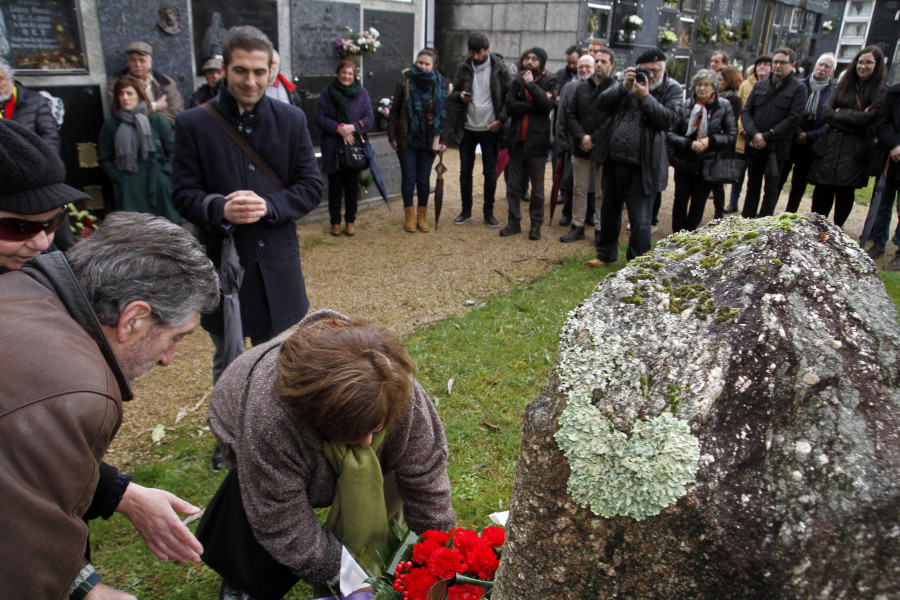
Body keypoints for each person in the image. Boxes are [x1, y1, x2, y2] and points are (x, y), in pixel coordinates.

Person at [0, 120, 221, 600]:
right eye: (175, 338)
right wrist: (84, 591)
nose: (168, 361)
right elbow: (21, 569)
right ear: (134, 319)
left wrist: (121, 493)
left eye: (53, 222)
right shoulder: (79, 391)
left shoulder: (18, 285)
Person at [207, 310, 456, 600]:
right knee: (255, 504)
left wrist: (437, 557)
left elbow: (426, 480)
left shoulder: (394, 386)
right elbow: (283, 519)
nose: (366, 442)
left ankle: (385, 566)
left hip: (329, 422)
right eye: (353, 435)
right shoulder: (270, 420)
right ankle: (240, 578)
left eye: (376, 429)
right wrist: (343, 575)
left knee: (392, 492)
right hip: (241, 420)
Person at [172, 25, 323, 383]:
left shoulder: (291, 120)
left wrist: (269, 206)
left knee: (283, 366)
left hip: (278, 268)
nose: (251, 81)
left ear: (271, 70)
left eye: (259, 71)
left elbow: (311, 187)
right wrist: (218, 209)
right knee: (230, 368)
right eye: (241, 70)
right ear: (224, 69)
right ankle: (231, 439)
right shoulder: (193, 123)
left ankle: (279, 437)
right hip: (224, 271)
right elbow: (182, 193)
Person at [586, 48, 681, 266]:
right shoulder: (625, 83)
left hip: (643, 165)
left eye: (655, 71)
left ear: (663, 70)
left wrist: (646, 97)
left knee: (640, 220)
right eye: (644, 71)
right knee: (609, 213)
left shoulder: (672, 89)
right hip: (615, 160)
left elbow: (668, 119)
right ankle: (605, 254)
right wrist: (623, 87)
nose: (649, 76)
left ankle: (637, 262)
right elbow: (601, 104)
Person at [809, 46, 887, 228]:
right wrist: (854, 115)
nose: (863, 66)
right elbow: (827, 113)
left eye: (869, 62)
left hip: (855, 149)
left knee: (845, 192)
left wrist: (841, 113)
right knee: (823, 190)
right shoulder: (844, 85)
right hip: (830, 147)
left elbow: (870, 118)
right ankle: (816, 228)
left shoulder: (880, 91)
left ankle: (838, 228)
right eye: (860, 61)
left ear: (877, 65)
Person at [448, 33, 511, 228]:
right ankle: (466, 211)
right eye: (472, 53)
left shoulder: (501, 68)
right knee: (465, 171)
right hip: (467, 127)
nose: (475, 57)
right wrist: (461, 96)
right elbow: (452, 95)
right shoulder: (464, 67)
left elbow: (509, 98)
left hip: (490, 127)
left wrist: (501, 120)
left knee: (490, 172)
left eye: (479, 53)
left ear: (487, 49)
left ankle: (488, 213)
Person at [98, 75, 180, 223]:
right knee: (136, 234)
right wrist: (120, 178)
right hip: (130, 186)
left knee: (166, 231)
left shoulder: (155, 120)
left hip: (158, 184)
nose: (124, 98)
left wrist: (166, 173)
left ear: (139, 95)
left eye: (129, 93)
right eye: (121, 94)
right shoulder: (112, 125)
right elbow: (105, 157)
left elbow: (174, 150)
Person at [666, 69, 738, 232]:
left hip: (708, 164)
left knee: (698, 203)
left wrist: (710, 141)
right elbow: (670, 133)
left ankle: (689, 231)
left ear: (714, 87)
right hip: (685, 162)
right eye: (698, 84)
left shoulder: (724, 106)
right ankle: (677, 235)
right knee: (680, 200)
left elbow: (731, 135)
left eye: (706, 84)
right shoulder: (686, 106)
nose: (702, 88)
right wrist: (688, 143)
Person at [740, 47, 807, 219]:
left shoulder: (798, 89)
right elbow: (747, 112)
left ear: (792, 65)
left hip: (777, 149)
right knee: (752, 186)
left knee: (771, 189)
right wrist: (755, 134)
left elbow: (793, 119)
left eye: (782, 62)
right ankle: (746, 222)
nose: (777, 66)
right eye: (775, 62)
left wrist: (767, 136)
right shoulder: (760, 85)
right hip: (755, 146)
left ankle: (764, 223)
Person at [387, 48, 447, 233]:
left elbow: (444, 114)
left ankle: (422, 216)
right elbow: (395, 110)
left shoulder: (440, 84)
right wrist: (392, 136)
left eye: (426, 63)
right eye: (420, 62)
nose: (422, 66)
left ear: (433, 65)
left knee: (423, 178)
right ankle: (409, 217)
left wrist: (442, 140)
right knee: (409, 177)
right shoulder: (405, 80)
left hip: (429, 139)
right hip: (408, 137)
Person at [500, 47, 557, 240]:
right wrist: (534, 105)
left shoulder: (550, 80)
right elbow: (510, 107)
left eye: (534, 59)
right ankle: (514, 221)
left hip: (538, 143)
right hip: (517, 141)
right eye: (527, 58)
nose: (530, 62)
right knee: (513, 186)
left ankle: (536, 225)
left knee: (538, 190)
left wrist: (531, 85)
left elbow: (548, 106)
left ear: (541, 62)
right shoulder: (516, 80)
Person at [562, 49, 617, 243]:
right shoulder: (581, 88)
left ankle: (600, 228)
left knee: (602, 191)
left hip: (603, 149)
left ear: (611, 65)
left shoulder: (616, 90)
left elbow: (612, 120)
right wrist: (582, 137)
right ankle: (577, 226)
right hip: (581, 147)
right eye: (598, 60)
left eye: (603, 61)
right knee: (579, 188)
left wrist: (593, 138)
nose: (600, 64)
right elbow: (571, 115)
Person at [316, 59, 374, 236]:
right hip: (333, 146)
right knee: (335, 185)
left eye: (350, 73)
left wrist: (354, 126)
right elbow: (319, 117)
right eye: (344, 73)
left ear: (354, 75)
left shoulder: (362, 94)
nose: (347, 76)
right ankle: (335, 222)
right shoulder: (327, 93)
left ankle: (350, 221)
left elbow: (369, 118)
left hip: (353, 147)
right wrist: (338, 128)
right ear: (338, 74)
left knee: (351, 185)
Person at [779, 53, 836, 213]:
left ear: (832, 71)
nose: (822, 68)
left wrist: (809, 136)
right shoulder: (799, 85)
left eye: (827, 66)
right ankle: (768, 214)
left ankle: (790, 214)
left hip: (812, 143)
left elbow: (830, 121)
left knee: (799, 183)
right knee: (779, 178)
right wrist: (798, 132)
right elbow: (791, 111)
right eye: (820, 64)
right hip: (792, 138)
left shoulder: (833, 93)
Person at [726, 56, 771, 214]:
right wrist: (744, 129)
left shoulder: (773, 87)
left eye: (766, 65)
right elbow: (741, 110)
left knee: (755, 177)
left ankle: (752, 208)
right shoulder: (746, 85)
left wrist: (757, 132)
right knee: (738, 172)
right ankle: (733, 201)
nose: (762, 68)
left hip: (760, 138)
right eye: (759, 64)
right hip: (743, 135)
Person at [107, 41, 184, 127]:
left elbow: (176, 113)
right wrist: (153, 107)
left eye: (142, 60)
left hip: (161, 132)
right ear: (128, 62)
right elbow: (118, 111)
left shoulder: (165, 82)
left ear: (150, 62)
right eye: (133, 60)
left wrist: (149, 121)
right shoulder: (116, 81)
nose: (137, 64)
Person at [0, 57, 60, 153]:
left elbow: (50, 137)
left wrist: (44, 165)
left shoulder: (35, 101)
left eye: (0, 79)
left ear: (11, 80)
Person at [869, 82, 900, 268]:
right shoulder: (894, 93)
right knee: (882, 204)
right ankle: (878, 242)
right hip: (890, 157)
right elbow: (882, 122)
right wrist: (895, 145)